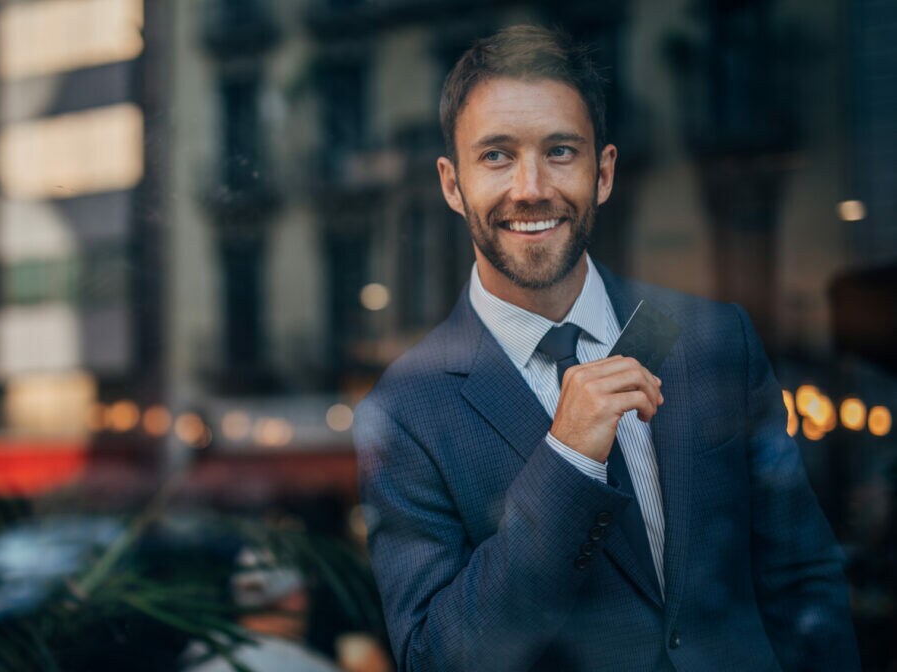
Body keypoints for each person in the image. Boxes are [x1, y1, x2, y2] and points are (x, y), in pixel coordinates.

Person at [353, 24, 859, 672]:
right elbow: (438, 660)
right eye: (497, 156)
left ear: (605, 172)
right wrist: (566, 461)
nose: (531, 186)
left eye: (560, 151)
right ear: (452, 184)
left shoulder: (713, 338)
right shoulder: (406, 409)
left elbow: (802, 582)